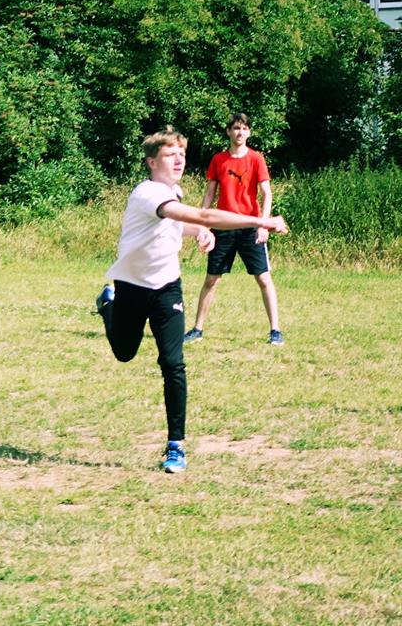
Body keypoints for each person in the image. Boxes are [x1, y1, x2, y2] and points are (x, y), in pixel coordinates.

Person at [95, 127, 288, 473]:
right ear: (152, 162)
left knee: (173, 363)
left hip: (167, 287)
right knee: (124, 352)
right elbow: (204, 214)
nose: (179, 160)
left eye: (182, 154)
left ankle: (176, 446)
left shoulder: (174, 192)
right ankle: (108, 303)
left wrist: (199, 232)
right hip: (131, 286)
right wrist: (261, 221)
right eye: (170, 155)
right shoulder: (147, 193)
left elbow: (182, 224)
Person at [183, 113, 283, 345]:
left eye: (244, 128)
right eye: (236, 128)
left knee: (263, 278)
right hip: (223, 227)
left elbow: (267, 194)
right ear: (229, 131)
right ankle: (197, 329)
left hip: (250, 227)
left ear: (249, 132)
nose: (240, 132)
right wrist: (203, 225)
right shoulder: (218, 160)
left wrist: (264, 225)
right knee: (212, 279)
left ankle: (275, 330)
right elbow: (209, 193)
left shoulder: (256, 159)